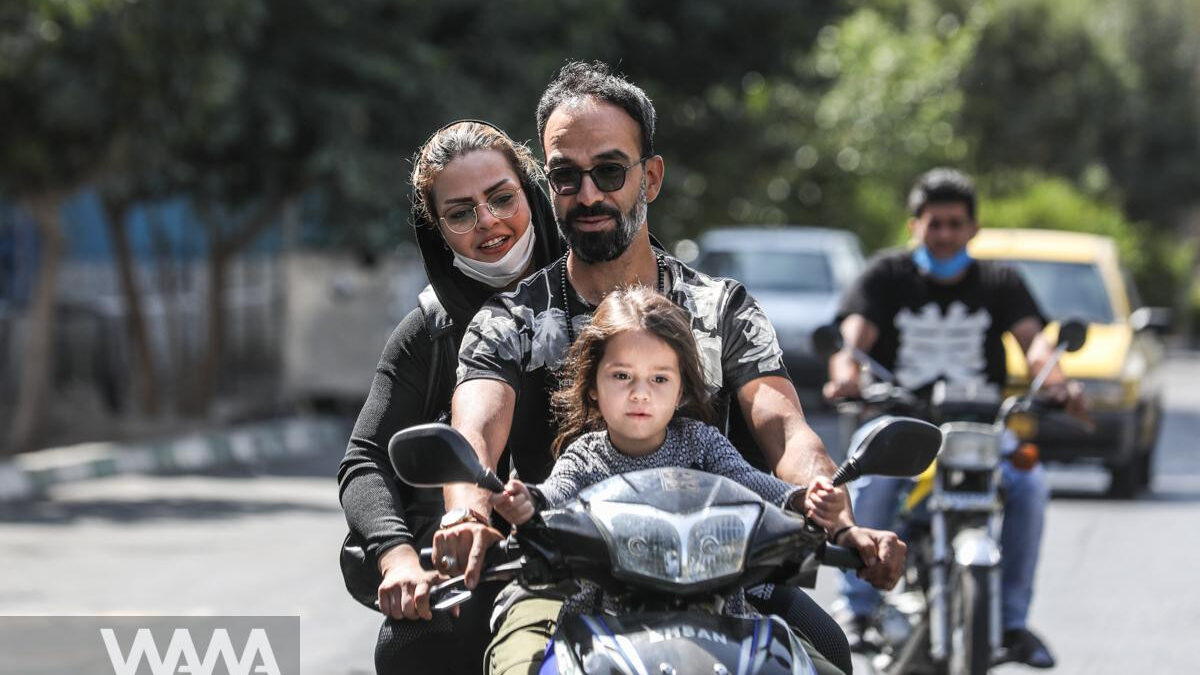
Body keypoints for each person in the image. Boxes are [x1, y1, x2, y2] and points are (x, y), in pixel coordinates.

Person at [435, 61, 905, 675]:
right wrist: (469, 513)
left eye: (609, 170)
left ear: (650, 177)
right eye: (565, 176)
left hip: (722, 576)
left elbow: (785, 428)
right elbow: (475, 437)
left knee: (830, 654)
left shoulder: (722, 308)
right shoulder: (511, 318)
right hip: (560, 584)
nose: (590, 194)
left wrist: (834, 511)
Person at [488, 286, 846, 675]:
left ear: (680, 389)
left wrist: (801, 500)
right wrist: (529, 502)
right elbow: (556, 494)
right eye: (622, 376)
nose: (640, 394)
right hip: (605, 629)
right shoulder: (585, 456)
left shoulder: (703, 442)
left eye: (659, 379)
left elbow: (750, 484)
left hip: (721, 620)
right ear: (593, 386)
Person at [824, 168, 1083, 668]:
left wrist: (1056, 382)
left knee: (1029, 484)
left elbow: (1035, 344)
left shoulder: (1000, 281)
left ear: (973, 229)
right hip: (900, 425)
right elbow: (851, 343)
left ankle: (1010, 624)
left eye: (955, 223)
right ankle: (856, 612)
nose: (944, 234)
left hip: (980, 429)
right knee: (871, 481)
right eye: (934, 223)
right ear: (913, 226)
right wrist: (844, 375)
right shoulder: (886, 275)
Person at [336, 120, 564, 674]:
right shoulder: (430, 332)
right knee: (412, 650)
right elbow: (365, 460)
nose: (488, 222)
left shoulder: (607, 303)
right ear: (437, 230)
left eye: (501, 198)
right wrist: (398, 559)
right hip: (483, 575)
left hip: (607, 564)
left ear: (532, 195)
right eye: (461, 213)